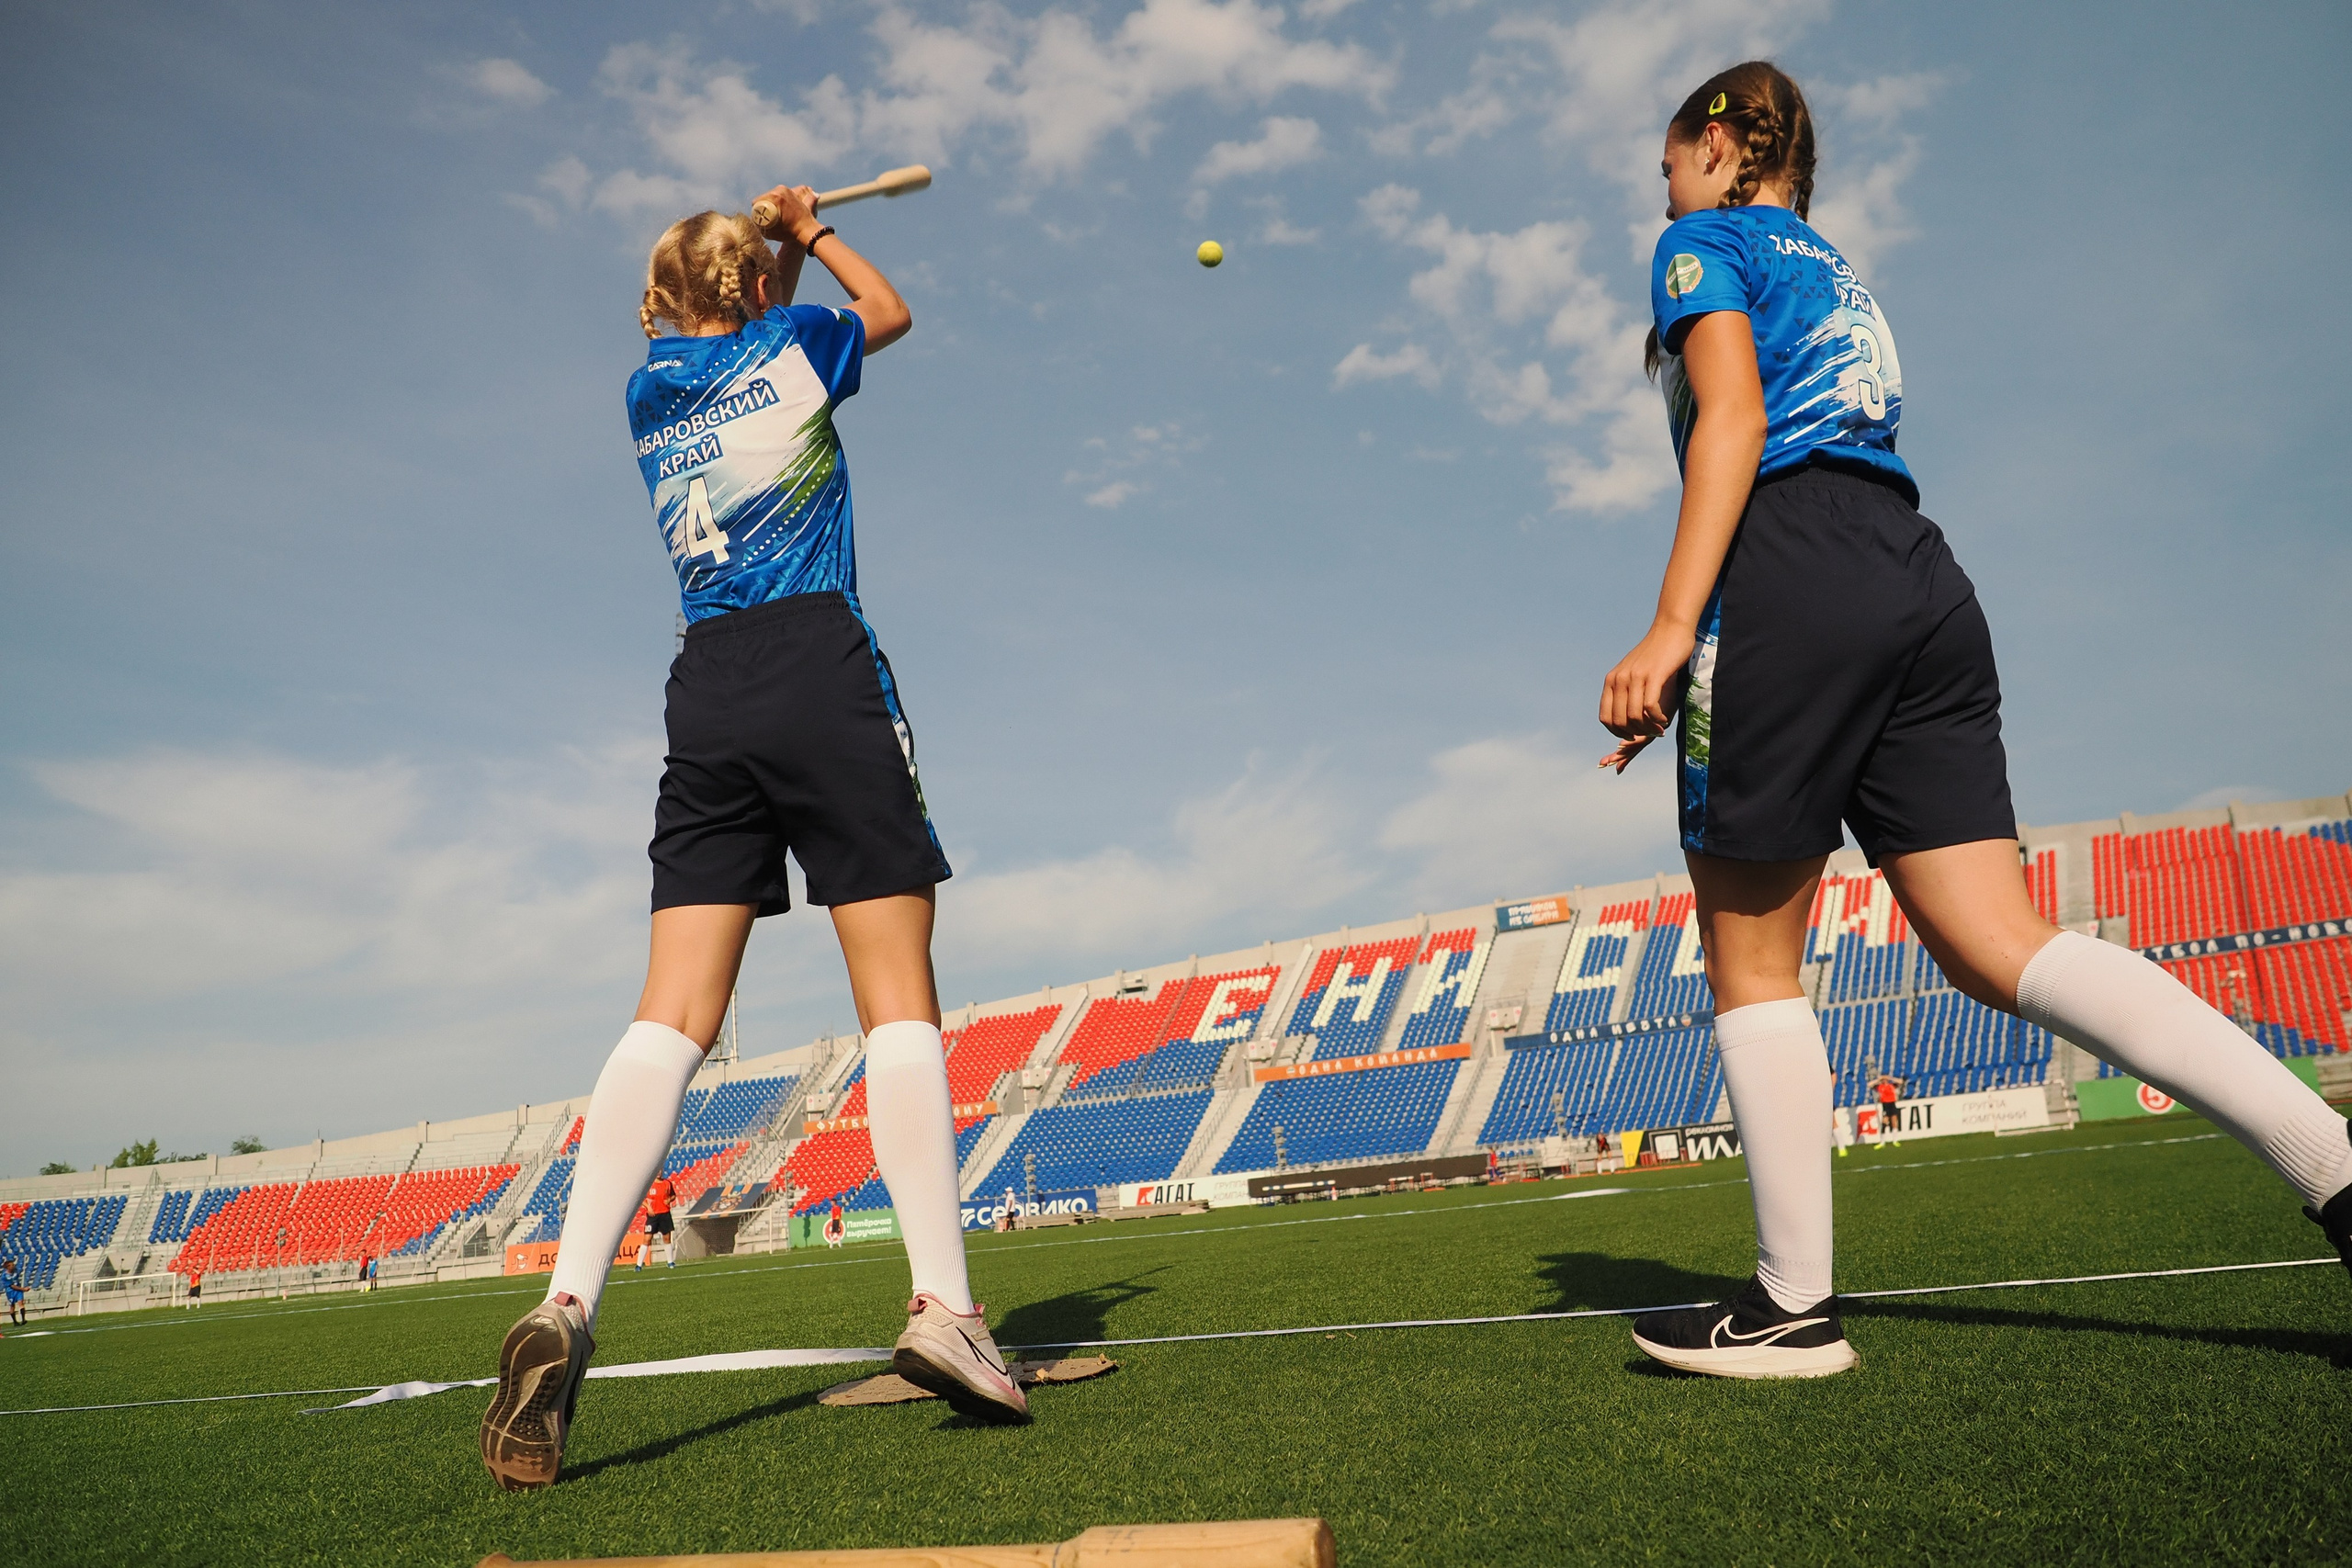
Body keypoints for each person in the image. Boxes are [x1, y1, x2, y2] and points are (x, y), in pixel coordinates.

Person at [1598, 62, 2352, 1380]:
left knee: (1751, 958)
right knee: (2004, 942)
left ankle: (1792, 1307)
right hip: (1915, 572)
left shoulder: (1701, 243)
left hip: (1788, 563)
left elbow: (1737, 418)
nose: (1661, 188)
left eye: (1668, 160)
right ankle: (2339, 1171)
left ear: (1717, 145)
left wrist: (1674, 627)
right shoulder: (1838, 272)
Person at [480, 187, 1030, 1494]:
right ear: (756, 288)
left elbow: (745, 335)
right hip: (817, 659)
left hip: (707, 686)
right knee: (896, 990)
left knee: (671, 1008)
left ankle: (566, 1300)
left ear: (664, 299)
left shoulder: (646, 394)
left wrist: (764, 249)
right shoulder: (792, 348)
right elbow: (886, 313)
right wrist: (813, 229)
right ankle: (944, 1305)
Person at [635, 1175, 678, 1270]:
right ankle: (638, 1265)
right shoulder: (648, 1184)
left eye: (660, 1170)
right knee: (647, 1239)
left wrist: (669, 1199)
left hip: (665, 1214)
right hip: (652, 1216)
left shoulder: (667, 1183)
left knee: (667, 1238)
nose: (659, 1172)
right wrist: (648, 1207)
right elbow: (640, 1198)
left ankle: (670, 1262)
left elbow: (673, 1195)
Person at [1871, 1072, 1905, 1149]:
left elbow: (1901, 1082)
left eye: (1885, 1079)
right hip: (1885, 1105)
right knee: (1884, 1123)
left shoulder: (1891, 1085)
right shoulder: (1879, 1087)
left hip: (1892, 1104)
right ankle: (1882, 1142)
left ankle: (1895, 1141)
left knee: (1894, 1122)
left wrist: (1891, 1078)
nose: (1884, 1080)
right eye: (1883, 1079)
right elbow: (1869, 1084)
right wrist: (1878, 1079)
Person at [2, 1258, 24, 1325]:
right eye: (12, 1265)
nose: (13, 1266)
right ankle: (15, 1322)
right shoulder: (4, 1276)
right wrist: (23, 1289)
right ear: (8, 1267)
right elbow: (11, 1286)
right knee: (12, 1306)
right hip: (10, 1292)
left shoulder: (16, 1272)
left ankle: (23, 1320)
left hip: (18, 1290)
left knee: (21, 1303)